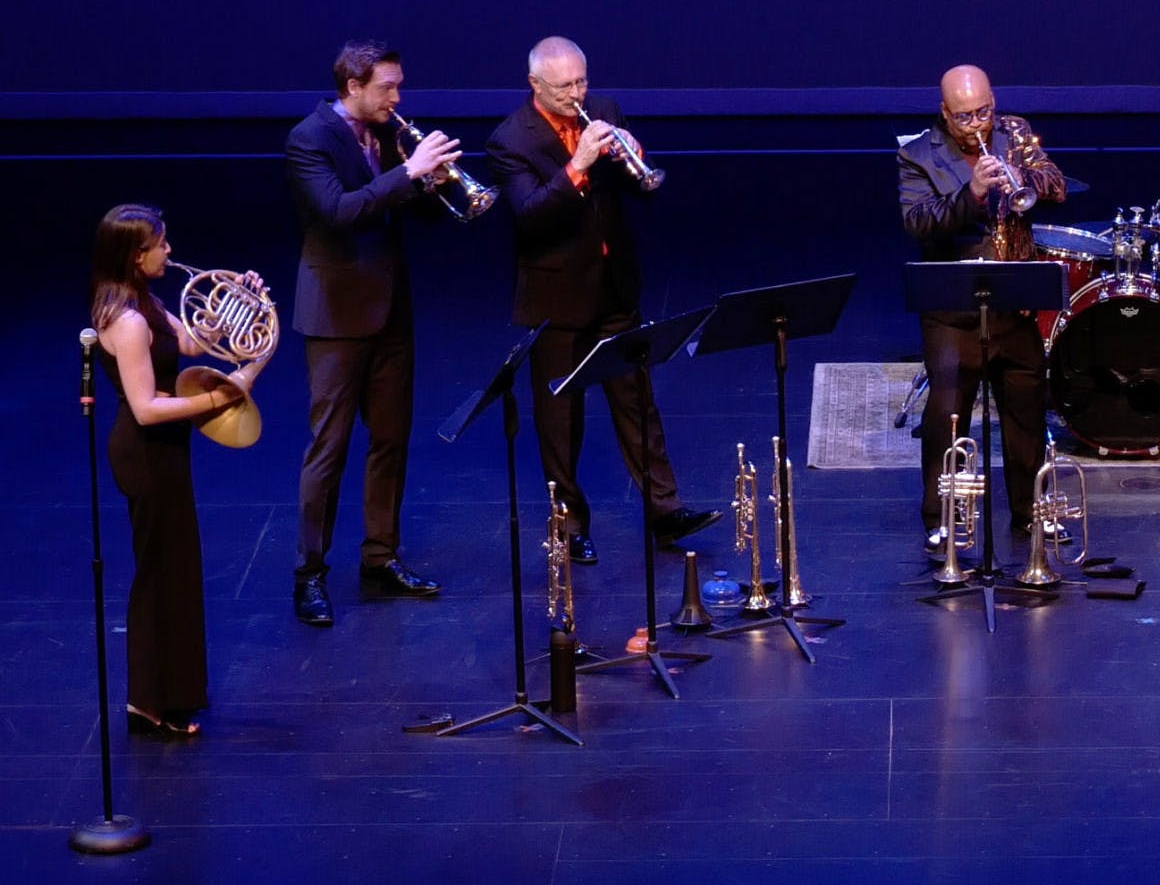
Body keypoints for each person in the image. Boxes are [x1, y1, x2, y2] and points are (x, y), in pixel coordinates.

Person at [485, 37, 720, 561]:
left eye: (582, 82)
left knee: (637, 401)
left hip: (614, 284)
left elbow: (636, 188)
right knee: (560, 420)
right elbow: (530, 215)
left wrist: (632, 158)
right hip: (557, 297)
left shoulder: (604, 110)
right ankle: (568, 526)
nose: (577, 94)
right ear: (535, 85)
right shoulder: (509, 141)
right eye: (565, 86)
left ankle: (665, 510)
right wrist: (578, 165)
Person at [284, 39, 458, 626]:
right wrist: (409, 172)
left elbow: (408, 210)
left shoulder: (386, 134)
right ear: (352, 87)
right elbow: (338, 212)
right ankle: (309, 573)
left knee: (391, 439)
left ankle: (380, 558)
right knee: (327, 449)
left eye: (398, 84)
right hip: (335, 312)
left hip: (390, 309)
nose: (397, 96)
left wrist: (433, 185)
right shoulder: (309, 139)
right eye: (386, 86)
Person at [89, 204, 268, 736]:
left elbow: (189, 343)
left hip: (165, 450)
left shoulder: (144, 301)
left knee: (176, 571)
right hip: (145, 452)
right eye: (161, 245)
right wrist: (220, 397)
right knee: (157, 574)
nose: (170, 251)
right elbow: (145, 407)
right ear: (136, 254)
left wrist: (244, 303)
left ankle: (167, 696)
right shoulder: (123, 319)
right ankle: (148, 701)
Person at [898, 64, 1066, 558]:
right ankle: (941, 517)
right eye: (967, 116)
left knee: (1026, 408)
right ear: (946, 114)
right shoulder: (917, 156)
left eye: (985, 111)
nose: (979, 124)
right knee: (948, 415)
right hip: (953, 309)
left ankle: (1031, 510)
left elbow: (1055, 184)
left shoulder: (1013, 131)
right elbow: (917, 222)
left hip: (1013, 299)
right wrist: (971, 193)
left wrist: (1022, 177)